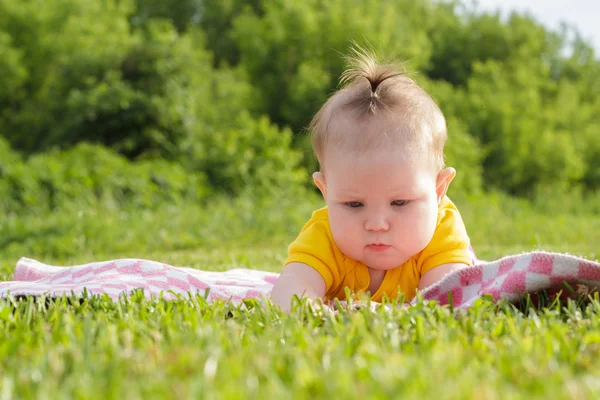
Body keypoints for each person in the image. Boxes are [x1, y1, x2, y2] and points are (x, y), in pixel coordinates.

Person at [271, 45, 475, 312]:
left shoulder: (442, 229)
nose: (377, 224)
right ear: (326, 191)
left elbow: (446, 302)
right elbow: (289, 295)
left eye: (400, 202)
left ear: (438, 191)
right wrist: (316, 314)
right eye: (354, 204)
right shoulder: (324, 235)